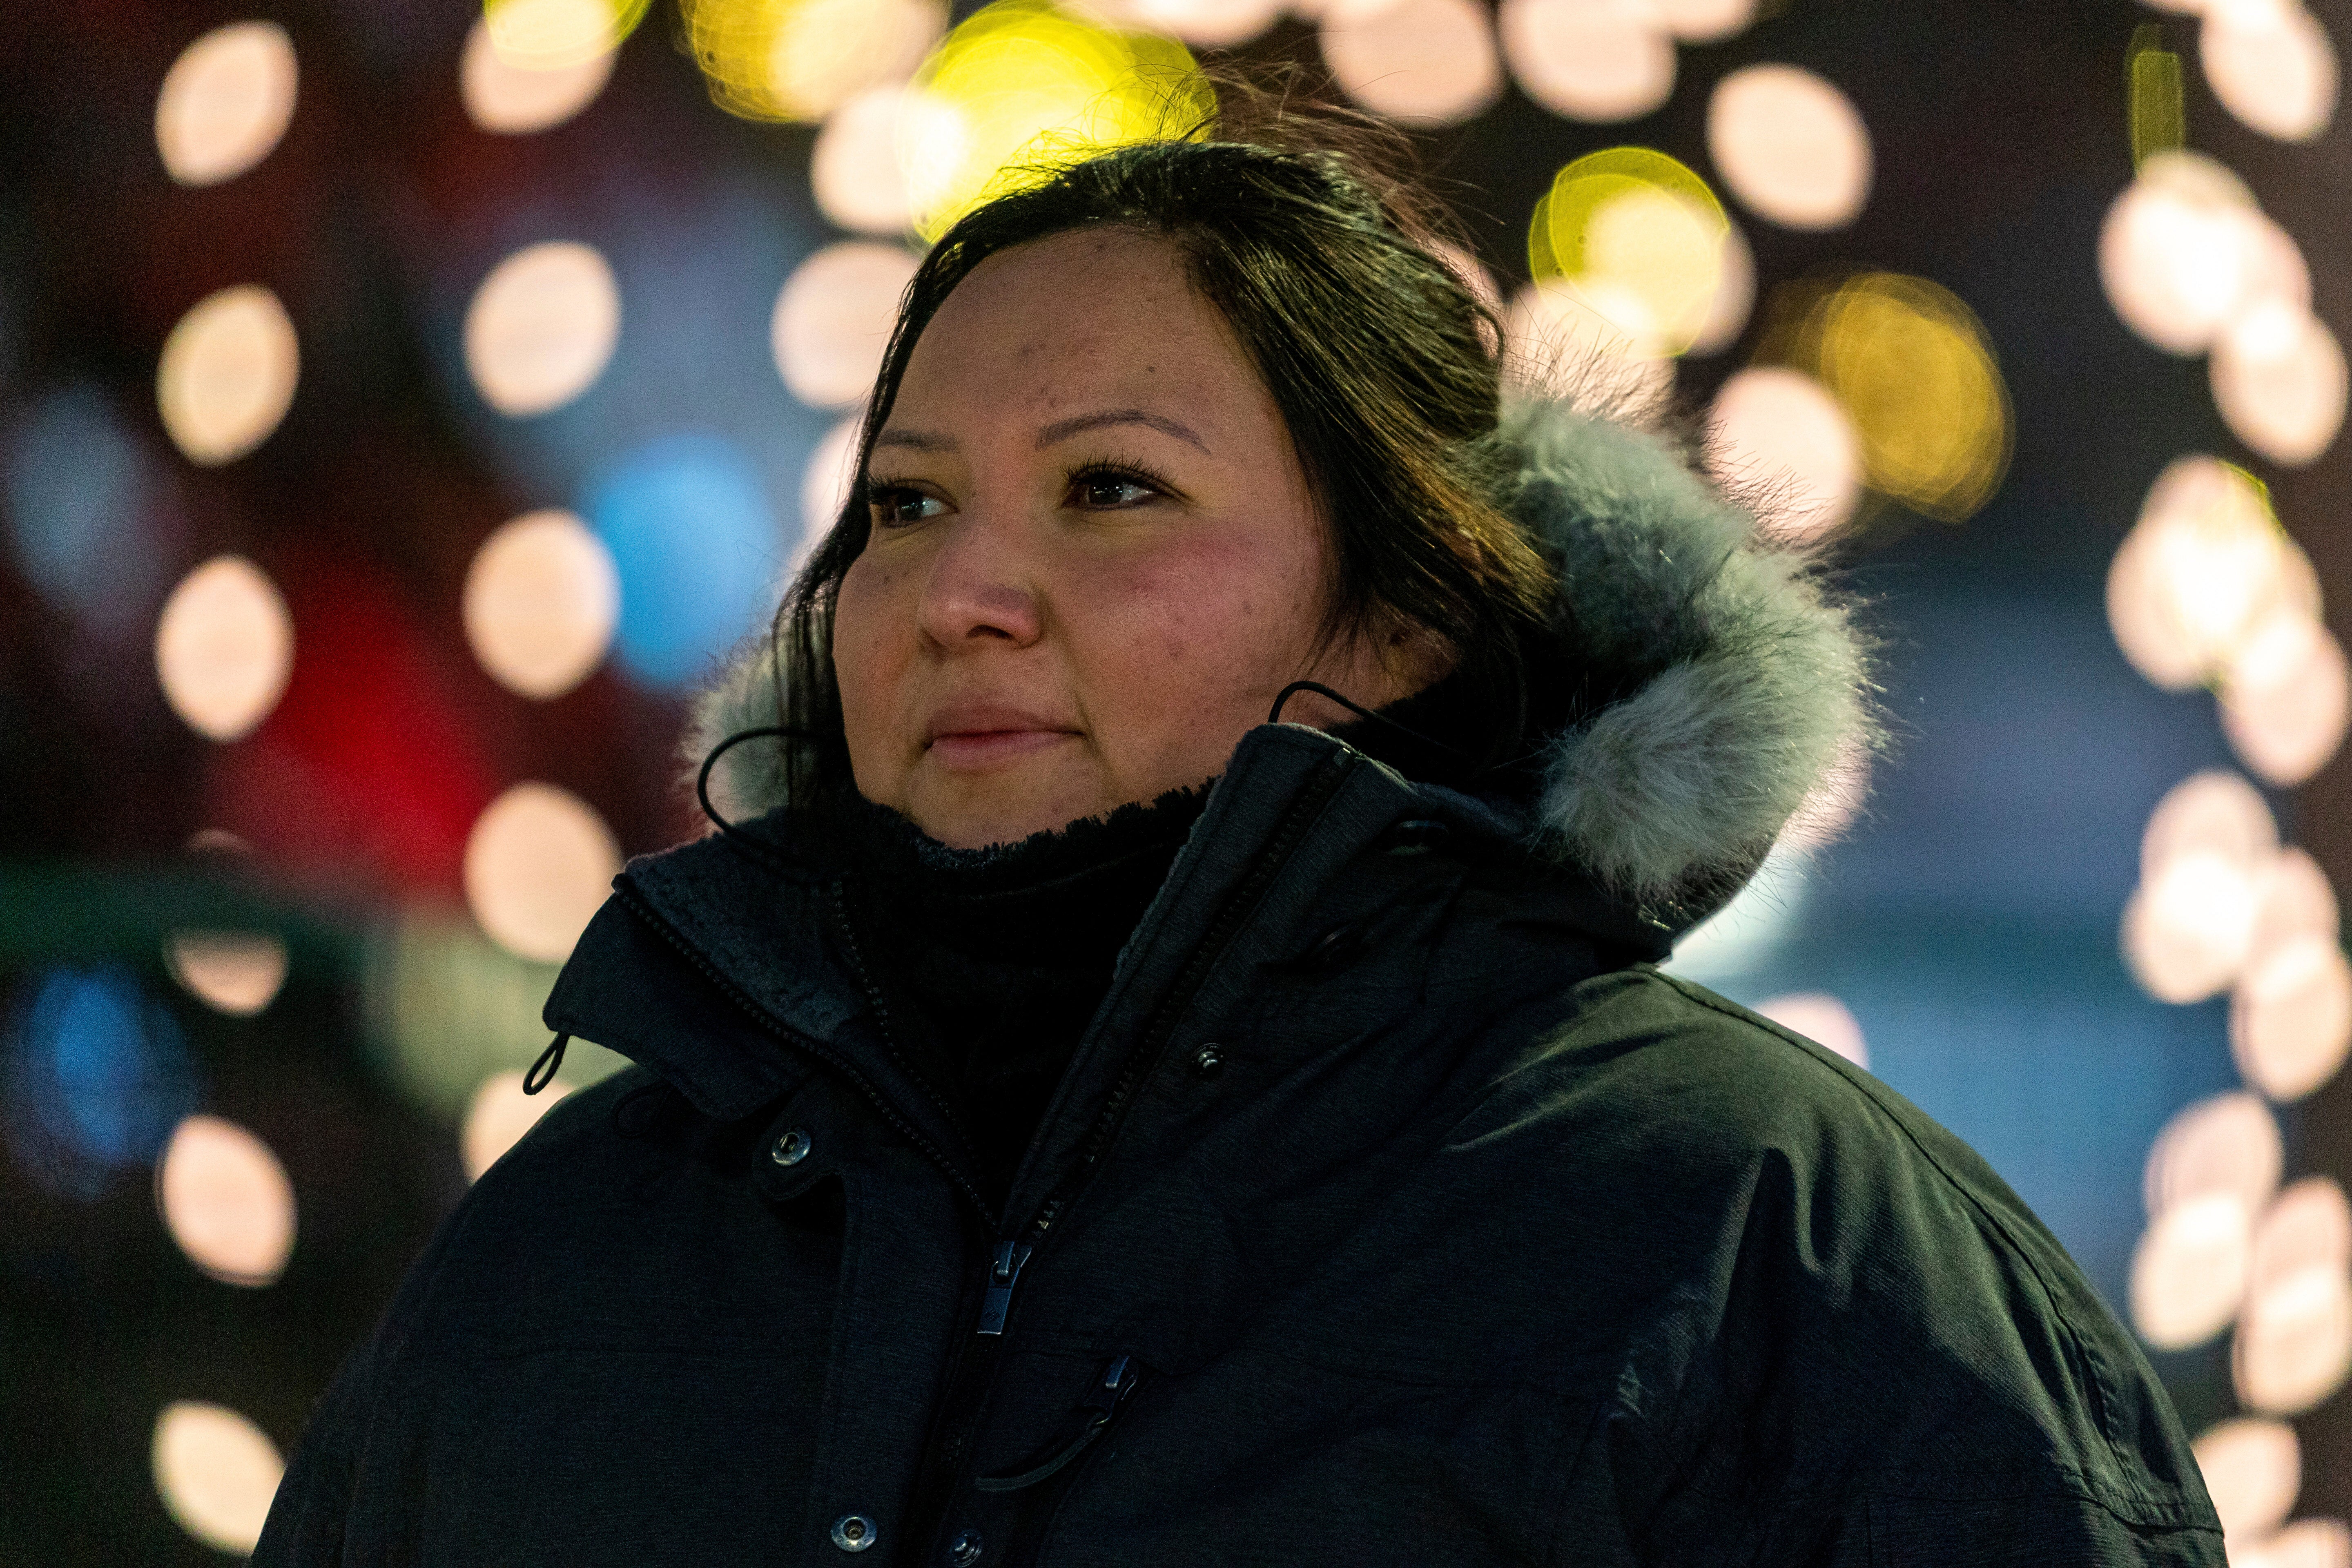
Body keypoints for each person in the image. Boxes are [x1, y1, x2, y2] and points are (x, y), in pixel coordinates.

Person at [254, 119, 2226, 1567]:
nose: (962, 594)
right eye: (909, 508)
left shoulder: (1764, 1253)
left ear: (1402, 620)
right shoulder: (573, 1249)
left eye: (1113, 490)